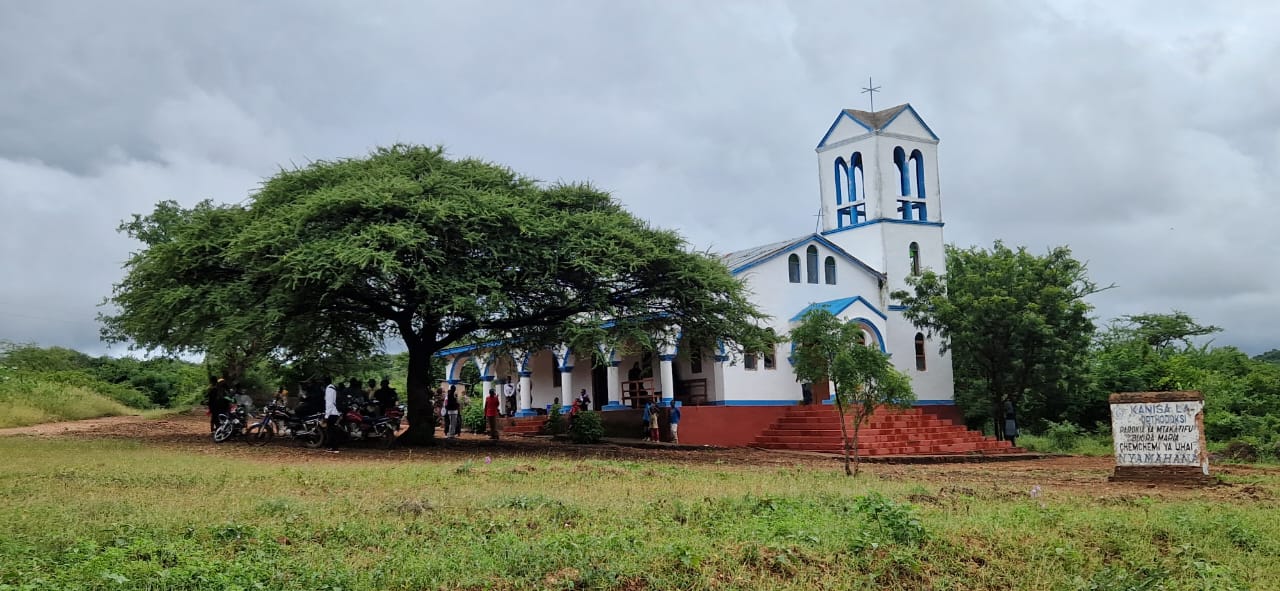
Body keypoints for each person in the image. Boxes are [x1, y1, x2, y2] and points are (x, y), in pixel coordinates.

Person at [323, 376, 341, 453]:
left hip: (331, 413)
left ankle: (334, 448)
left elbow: (329, 403)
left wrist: (326, 416)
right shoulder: (333, 388)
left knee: (331, 431)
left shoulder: (329, 389)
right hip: (334, 412)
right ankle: (333, 447)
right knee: (332, 430)